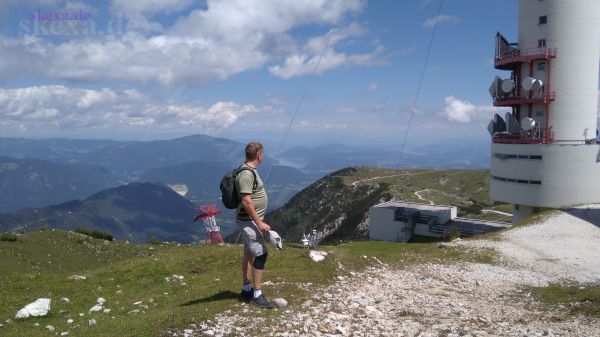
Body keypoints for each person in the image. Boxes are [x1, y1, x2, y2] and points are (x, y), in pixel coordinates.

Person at [235, 141, 274, 308]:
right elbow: (246, 201)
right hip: (248, 220)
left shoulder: (250, 171)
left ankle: (245, 290)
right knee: (261, 254)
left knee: (249, 253)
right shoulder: (246, 174)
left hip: (250, 220)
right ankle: (257, 295)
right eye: (263, 153)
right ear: (259, 155)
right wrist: (260, 223)